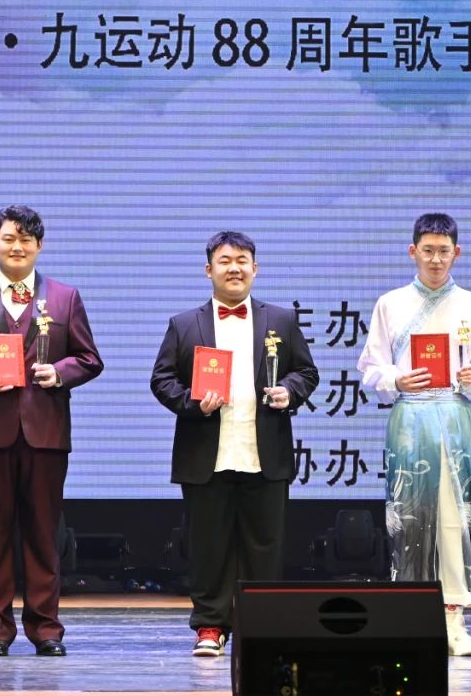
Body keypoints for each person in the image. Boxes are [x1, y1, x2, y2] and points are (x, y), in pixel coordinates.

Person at [0, 205, 103, 658]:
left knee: (44, 535)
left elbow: (89, 359)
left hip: (45, 433)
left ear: (39, 246)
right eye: (9, 238)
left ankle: (46, 628)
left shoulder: (65, 297)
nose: (17, 246)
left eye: (26, 239)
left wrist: (60, 373)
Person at [150, 231, 319, 657]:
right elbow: (162, 380)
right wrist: (193, 402)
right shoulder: (184, 324)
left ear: (255, 269)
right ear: (209, 270)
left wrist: (289, 392)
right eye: (225, 261)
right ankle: (210, 626)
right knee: (208, 546)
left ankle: (260, 623)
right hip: (206, 452)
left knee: (265, 545)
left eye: (242, 261)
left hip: (265, 451)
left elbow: (306, 373)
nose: (234, 269)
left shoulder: (281, 320)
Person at [357, 214, 471, 656]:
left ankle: (454, 619)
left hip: (456, 416)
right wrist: (397, 380)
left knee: (455, 517)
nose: (436, 259)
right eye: (428, 250)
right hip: (411, 419)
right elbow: (371, 367)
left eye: (444, 251)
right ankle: (411, 616)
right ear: (413, 252)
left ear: (457, 253)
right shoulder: (390, 303)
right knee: (410, 516)